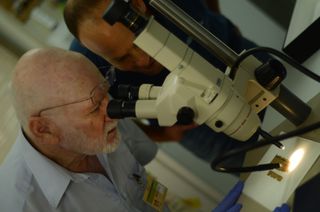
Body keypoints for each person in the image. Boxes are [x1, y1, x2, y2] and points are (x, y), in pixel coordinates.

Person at [0, 47, 288, 212]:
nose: (112, 112)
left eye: (106, 90)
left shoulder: (107, 122)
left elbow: (145, 192)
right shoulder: (21, 205)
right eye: (93, 108)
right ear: (45, 130)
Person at [63, 0, 267, 166]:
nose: (143, 60)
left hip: (236, 61)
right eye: (122, 58)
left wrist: (216, 18)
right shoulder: (85, 66)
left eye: (139, 40)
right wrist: (161, 134)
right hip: (198, 125)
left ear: (139, 5)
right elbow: (105, 121)